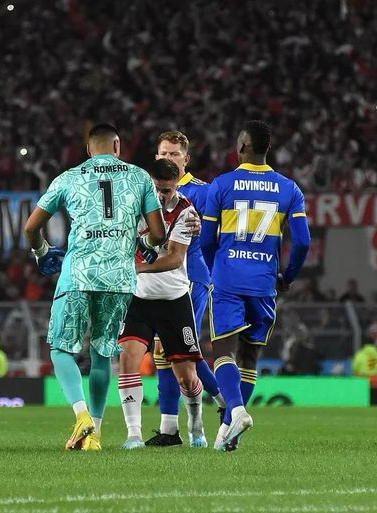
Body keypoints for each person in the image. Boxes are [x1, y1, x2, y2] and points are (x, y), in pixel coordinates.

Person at [24, 123, 166, 451]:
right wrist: (141, 240)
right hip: (119, 279)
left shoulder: (69, 178)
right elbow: (158, 235)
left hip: (78, 274)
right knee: (102, 354)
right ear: (117, 146)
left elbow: (32, 227)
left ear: (89, 149)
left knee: (61, 348)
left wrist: (42, 252)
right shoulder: (140, 177)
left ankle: (81, 415)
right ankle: (96, 435)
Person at [200, 120, 310, 451]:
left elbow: (206, 240)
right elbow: (302, 242)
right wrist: (287, 277)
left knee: (222, 351)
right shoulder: (289, 189)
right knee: (249, 356)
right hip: (265, 283)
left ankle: (235, 411)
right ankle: (226, 433)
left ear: (244, 147)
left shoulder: (222, 184)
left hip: (228, 279)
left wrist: (213, 267)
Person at [117, 158, 207, 449]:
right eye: (156, 189)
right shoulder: (134, 206)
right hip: (139, 299)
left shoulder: (186, 212)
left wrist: (138, 268)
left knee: (186, 377)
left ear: (176, 187)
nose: (161, 196)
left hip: (173, 300)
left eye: (167, 190)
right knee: (128, 358)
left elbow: (175, 259)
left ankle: (195, 423)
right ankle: (133, 435)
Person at [146, 130, 226, 448]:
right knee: (168, 353)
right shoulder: (150, 191)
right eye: (163, 154)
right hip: (159, 281)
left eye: (174, 155)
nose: (168, 159)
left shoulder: (200, 193)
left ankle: (224, 406)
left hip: (189, 279)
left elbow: (210, 236)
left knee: (177, 353)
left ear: (186, 159)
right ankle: (174, 425)